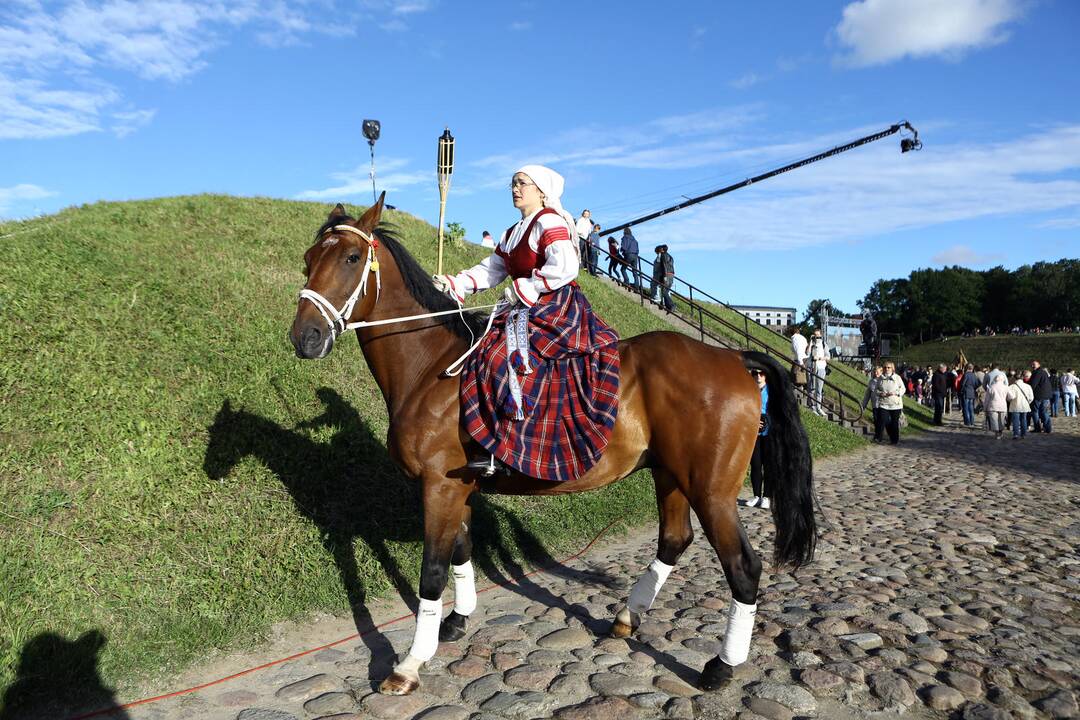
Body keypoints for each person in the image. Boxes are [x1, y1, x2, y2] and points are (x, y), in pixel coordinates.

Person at [431, 165, 620, 481]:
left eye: (522, 184)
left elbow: (567, 266)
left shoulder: (548, 221)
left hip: (554, 306)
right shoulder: (512, 232)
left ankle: (506, 449)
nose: (515, 189)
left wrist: (529, 286)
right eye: (513, 184)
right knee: (481, 348)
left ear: (542, 191)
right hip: (522, 306)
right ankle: (488, 441)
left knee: (498, 356)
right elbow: (491, 270)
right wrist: (456, 283)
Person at [743, 368, 772, 509]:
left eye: (762, 373)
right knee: (755, 465)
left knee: (768, 466)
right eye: (756, 373)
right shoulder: (749, 391)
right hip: (753, 433)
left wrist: (768, 420)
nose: (759, 376)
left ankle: (767, 496)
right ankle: (756, 496)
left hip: (769, 433)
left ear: (766, 376)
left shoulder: (771, 392)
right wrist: (753, 420)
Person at [875, 362, 906, 444]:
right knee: (882, 420)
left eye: (889, 367)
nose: (887, 369)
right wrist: (880, 393)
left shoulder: (897, 378)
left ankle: (894, 440)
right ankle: (878, 438)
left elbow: (903, 389)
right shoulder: (880, 378)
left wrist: (896, 393)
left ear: (892, 368)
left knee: (894, 422)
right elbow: (876, 390)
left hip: (895, 404)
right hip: (884, 404)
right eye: (885, 367)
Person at [807, 328, 829, 416]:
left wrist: (819, 358)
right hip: (811, 367)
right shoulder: (812, 343)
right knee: (811, 388)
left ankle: (819, 407)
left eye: (818, 336)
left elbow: (828, 357)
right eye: (815, 336)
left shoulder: (824, 344)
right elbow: (807, 353)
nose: (816, 338)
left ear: (821, 336)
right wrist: (810, 342)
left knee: (819, 389)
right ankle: (812, 406)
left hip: (820, 367)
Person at [1028, 360, 1053, 434]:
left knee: (1035, 411)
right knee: (1044, 412)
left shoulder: (1037, 372)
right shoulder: (1043, 372)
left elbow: (1033, 384)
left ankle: (1037, 428)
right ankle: (1048, 429)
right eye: (1032, 364)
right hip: (1046, 395)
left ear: (1039, 365)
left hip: (1039, 396)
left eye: (1034, 364)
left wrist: (1028, 391)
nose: (1032, 366)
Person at [1007, 373, 1033, 439]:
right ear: (1022, 378)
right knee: (1024, 419)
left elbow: (1010, 397)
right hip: (1025, 405)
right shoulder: (1028, 386)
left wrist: (1010, 401)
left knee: (1015, 420)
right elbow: (1031, 397)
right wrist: (1028, 402)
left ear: (1014, 378)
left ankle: (1016, 434)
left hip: (1015, 405)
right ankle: (1023, 434)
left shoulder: (1011, 386)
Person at [861, 365, 884, 442]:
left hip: (883, 404)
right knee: (876, 420)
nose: (876, 373)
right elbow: (867, 395)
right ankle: (877, 435)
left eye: (877, 372)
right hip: (875, 405)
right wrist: (863, 405)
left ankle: (879, 436)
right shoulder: (871, 381)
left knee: (881, 420)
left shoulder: (884, 380)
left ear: (881, 372)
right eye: (875, 372)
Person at [984, 373, 1009, 440]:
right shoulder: (1006, 387)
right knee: (1002, 420)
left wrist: (985, 408)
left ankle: (997, 433)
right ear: (1003, 380)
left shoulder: (991, 387)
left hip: (993, 406)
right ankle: (1000, 432)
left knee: (994, 420)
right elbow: (1010, 396)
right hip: (1003, 406)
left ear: (995, 379)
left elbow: (987, 399)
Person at [652, 244, 675, 312]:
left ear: (661, 250)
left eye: (657, 252)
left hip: (666, 275)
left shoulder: (662, 255)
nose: (657, 253)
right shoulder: (670, 256)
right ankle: (667, 306)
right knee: (666, 291)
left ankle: (672, 305)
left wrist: (664, 276)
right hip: (671, 275)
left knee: (664, 292)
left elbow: (664, 266)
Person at [619, 228, 640, 293]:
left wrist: (621, 250)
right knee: (635, 272)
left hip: (629, 255)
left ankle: (627, 282)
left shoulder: (625, 238)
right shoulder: (635, 240)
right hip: (635, 256)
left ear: (625, 232)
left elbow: (624, 247)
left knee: (623, 269)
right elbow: (637, 249)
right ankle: (637, 288)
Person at [959, 363, 980, 428]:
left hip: (966, 392)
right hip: (972, 393)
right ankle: (972, 421)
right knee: (971, 408)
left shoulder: (966, 375)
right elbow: (977, 384)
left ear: (966, 368)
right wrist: (973, 388)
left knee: (966, 408)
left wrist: (961, 391)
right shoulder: (974, 375)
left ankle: (967, 422)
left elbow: (962, 384)